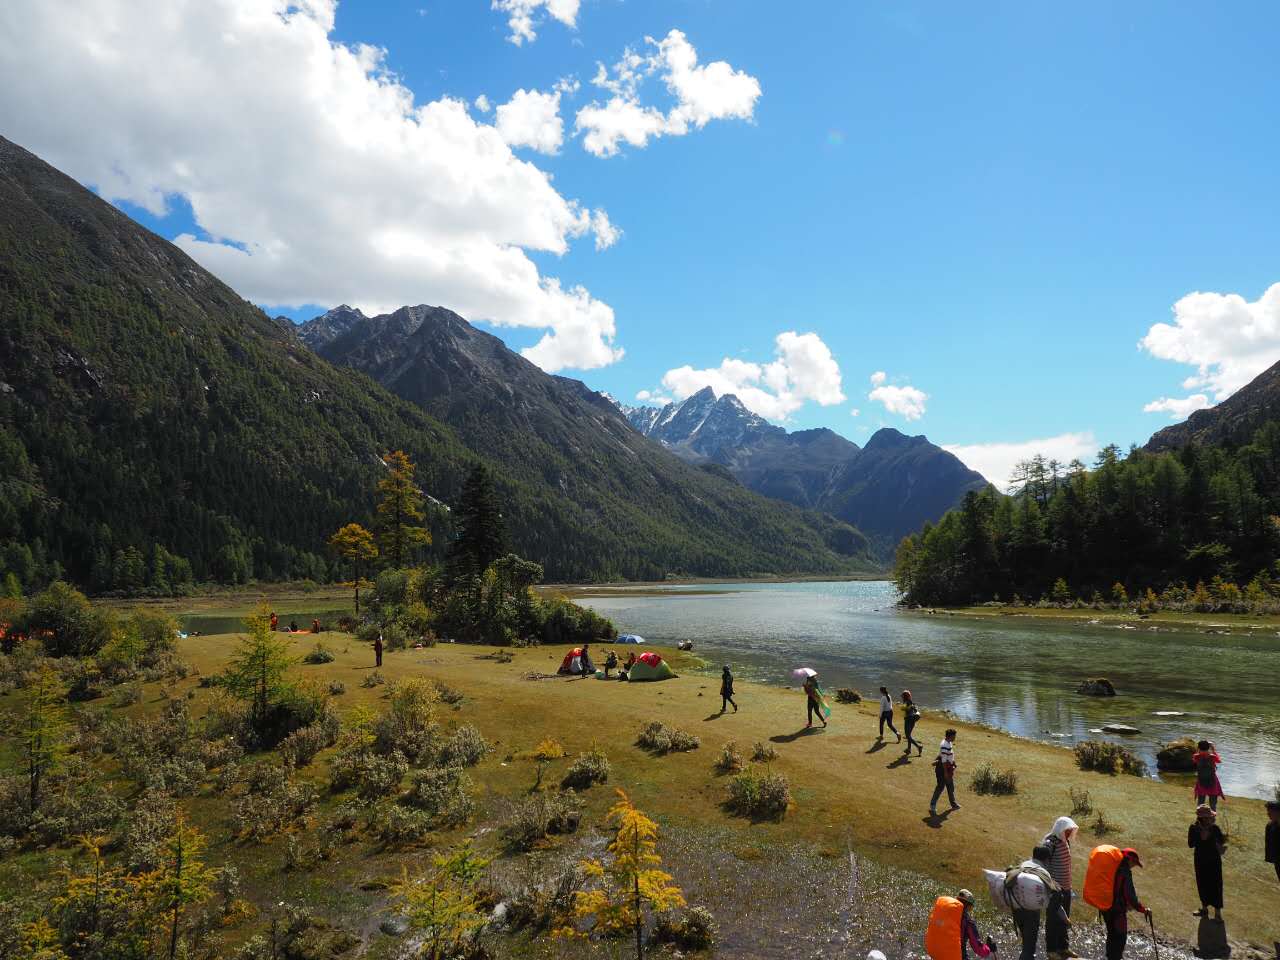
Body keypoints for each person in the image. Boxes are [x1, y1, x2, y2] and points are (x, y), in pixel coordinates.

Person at [1010, 845, 1070, 960]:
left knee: (1026, 942)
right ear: (1047, 859)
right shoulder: (1043, 872)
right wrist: (1065, 917)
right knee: (1029, 946)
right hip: (1031, 913)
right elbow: (1054, 899)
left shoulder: (1023, 865)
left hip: (1016, 909)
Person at [1102, 849, 1149, 960]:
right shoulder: (1125, 872)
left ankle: (1110, 956)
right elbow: (1130, 896)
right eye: (1134, 863)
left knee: (1112, 934)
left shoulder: (1113, 866)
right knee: (1120, 938)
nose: (1133, 866)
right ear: (1129, 860)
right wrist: (1143, 909)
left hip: (1105, 907)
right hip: (1117, 911)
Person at [1042, 817, 1079, 959]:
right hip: (1054, 889)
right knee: (1052, 919)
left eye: (1070, 831)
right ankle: (1051, 950)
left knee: (1065, 919)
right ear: (1060, 829)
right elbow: (1043, 864)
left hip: (1066, 888)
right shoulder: (1050, 843)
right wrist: (1049, 886)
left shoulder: (1066, 842)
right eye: (1067, 831)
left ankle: (1063, 947)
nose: (1069, 833)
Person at [1188, 805, 1226, 920]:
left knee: (1216, 884)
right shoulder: (1194, 828)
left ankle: (1217, 913)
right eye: (1210, 817)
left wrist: (1222, 839)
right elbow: (1191, 844)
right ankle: (1205, 909)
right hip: (1202, 860)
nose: (1212, 819)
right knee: (1203, 883)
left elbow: (1221, 841)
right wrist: (1201, 835)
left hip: (1212, 860)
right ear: (1203, 819)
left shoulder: (1214, 828)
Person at [959, 889, 996, 959]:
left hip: (937, 952)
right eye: (971, 907)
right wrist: (989, 949)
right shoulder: (968, 921)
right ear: (968, 906)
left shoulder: (945, 913)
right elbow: (978, 948)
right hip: (955, 955)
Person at [930, 729, 959, 815]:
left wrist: (953, 762)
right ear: (950, 736)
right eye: (954, 736)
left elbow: (947, 756)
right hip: (942, 769)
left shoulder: (948, 743)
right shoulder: (944, 745)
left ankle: (953, 804)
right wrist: (946, 772)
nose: (955, 738)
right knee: (940, 787)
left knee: (950, 786)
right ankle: (932, 805)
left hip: (947, 768)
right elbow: (943, 760)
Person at [1191, 740, 1223, 811]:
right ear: (1208, 748)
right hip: (1212, 782)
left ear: (1199, 748)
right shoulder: (1212, 757)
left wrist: (1198, 750)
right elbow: (1219, 761)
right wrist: (1213, 749)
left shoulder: (1196, 756)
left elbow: (1194, 759)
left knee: (1200, 802)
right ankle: (1212, 819)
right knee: (1213, 804)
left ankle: (1200, 819)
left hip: (1201, 782)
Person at [902, 690, 923, 756]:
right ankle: (909, 749)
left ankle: (918, 746)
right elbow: (915, 710)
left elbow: (903, 708)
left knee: (908, 736)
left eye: (903, 696)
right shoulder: (911, 702)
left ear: (905, 696)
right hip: (912, 720)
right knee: (909, 735)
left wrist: (907, 707)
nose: (902, 697)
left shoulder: (906, 702)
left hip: (908, 720)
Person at [1266, 800, 1280, 883]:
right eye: (1268, 811)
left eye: (1270, 812)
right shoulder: (1270, 826)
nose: (1268, 814)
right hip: (1277, 860)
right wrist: (1270, 858)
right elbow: (1268, 843)